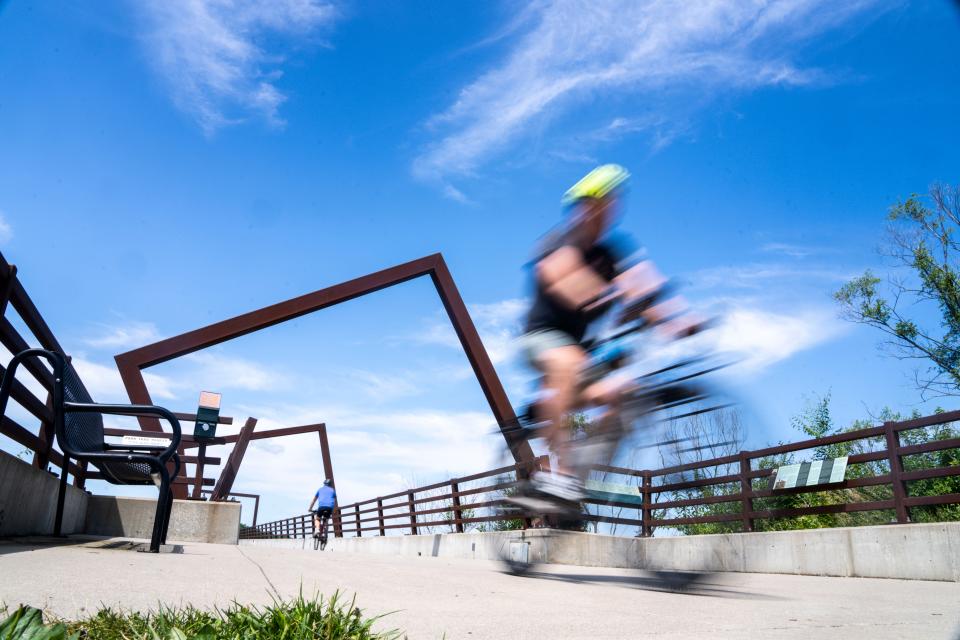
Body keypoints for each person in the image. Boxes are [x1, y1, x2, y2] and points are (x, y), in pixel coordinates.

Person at [518, 164, 702, 506]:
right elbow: (564, 279)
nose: (606, 212)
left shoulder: (613, 252)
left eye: (612, 203)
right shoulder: (559, 243)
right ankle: (557, 473)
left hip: (581, 348)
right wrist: (610, 295)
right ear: (584, 206)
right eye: (599, 204)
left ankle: (576, 481)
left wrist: (680, 321)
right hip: (540, 338)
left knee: (625, 394)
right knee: (569, 363)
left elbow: (647, 285)